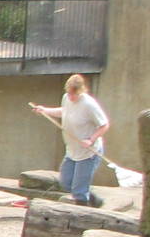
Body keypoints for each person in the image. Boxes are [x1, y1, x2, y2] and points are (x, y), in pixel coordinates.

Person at [31, 74, 110, 208]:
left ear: (81, 91)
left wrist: (91, 140)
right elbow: (64, 111)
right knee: (66, 183)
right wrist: (45, 111)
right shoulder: (66, 98)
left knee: (78, 190)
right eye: (69, 93)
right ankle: (94, 200)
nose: (71, 97)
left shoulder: (89, 105)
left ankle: (82, 214)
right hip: (72, 150)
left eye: (74, 94)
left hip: (88, 153)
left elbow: (104, 125)